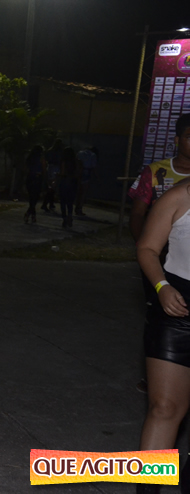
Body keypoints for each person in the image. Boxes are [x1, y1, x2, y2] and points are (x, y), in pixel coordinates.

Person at [135, 177, 190, 494]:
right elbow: (147, 248)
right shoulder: (179, 196)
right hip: (176, 311)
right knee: (165, 408)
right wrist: (162, 286)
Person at [129, 115, 190, 395]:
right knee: (159, 312)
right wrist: (148, 246)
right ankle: (159, 373)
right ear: (177, 140)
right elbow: (138, 214)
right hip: (159, 261)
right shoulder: (156, 172)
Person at [58, 147, 81, 229]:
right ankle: (70, 215)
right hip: (73, 181)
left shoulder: (64, 161)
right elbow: (78, 173)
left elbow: (62, 172)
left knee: (63, 201)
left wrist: (58, 176)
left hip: (64, 180)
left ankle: (64, 217)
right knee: (70, 201)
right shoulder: (76, 162)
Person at [23, 145, 46, 224]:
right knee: (35, 197)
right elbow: (44, 169)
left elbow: (25, 169)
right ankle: (30, 214)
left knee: (31, 197)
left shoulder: (29, 159)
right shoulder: (41, 158)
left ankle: (31, 214)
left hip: (30, 177)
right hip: (37, 178)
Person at [41, 139, 63, 213]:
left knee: (51, 186)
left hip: (50, 167)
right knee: (52, 187)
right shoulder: (60, 152)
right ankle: (46, 203)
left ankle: (50, 203)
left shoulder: (50, 151)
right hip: (56, 167)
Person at [75, 146, 98, 216]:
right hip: (87, 172)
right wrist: (96, 176)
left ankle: (76, 206)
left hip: (78, 172)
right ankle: (80, 208)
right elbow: (93, 166)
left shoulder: (80, 153)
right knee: (83, 192)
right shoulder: (93, 155)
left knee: (78, 191)